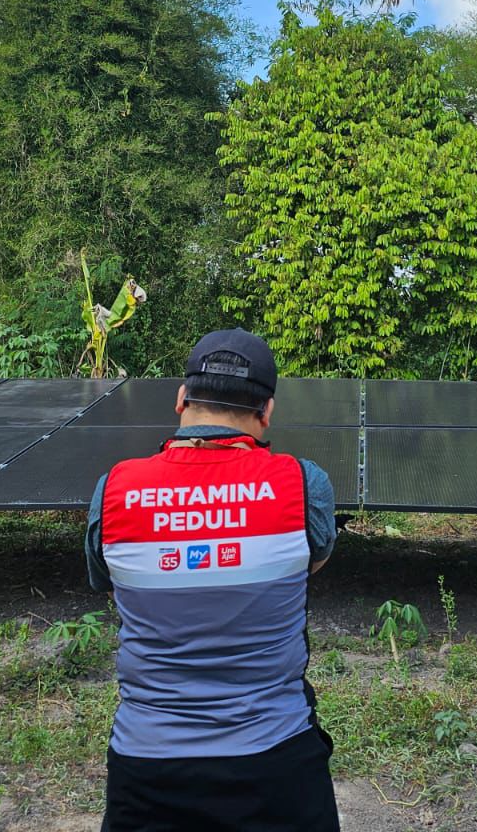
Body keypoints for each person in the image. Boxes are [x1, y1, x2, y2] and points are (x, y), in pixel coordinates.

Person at [84, 329, 340, 831]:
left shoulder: (114, 489)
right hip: (277, 763)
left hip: (146, 770)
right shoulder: (305, 485)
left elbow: (115, 587)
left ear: (181, 400)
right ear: (266, 411)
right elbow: (307, 567)